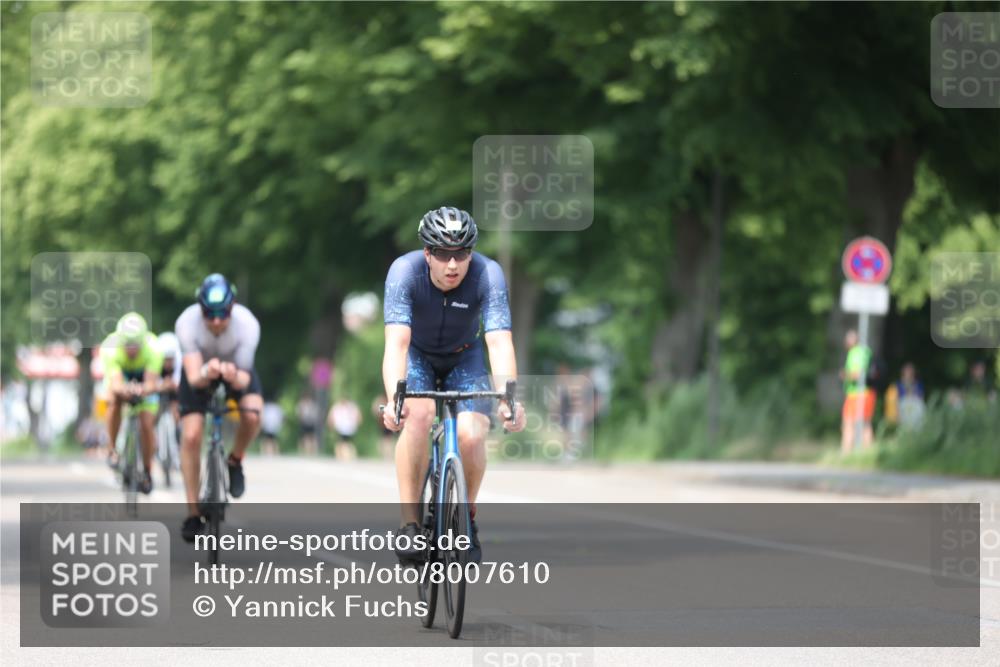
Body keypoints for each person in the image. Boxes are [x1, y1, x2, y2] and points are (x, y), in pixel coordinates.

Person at [381, 206, 526, 564]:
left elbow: (499, 343)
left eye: (461, 254)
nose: (452, 264)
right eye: (443, 254)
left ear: (471, 254)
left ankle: (466, 518)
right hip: (417, 356)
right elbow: (397, 345)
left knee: (472, 434)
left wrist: (509, 399)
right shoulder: (404, 272)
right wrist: (395, 401)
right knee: (417, 416)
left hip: (465, 357)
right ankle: (410, 523)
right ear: (427, 253)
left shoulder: (488, 274)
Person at [175, 273, 263, 542]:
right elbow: (193, 378)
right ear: (200, 309)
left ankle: (235, 460)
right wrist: (207, 371)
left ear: (232, 307)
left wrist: (231, 375)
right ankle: (193, 513)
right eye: (209, 314)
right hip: (200, 372)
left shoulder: (247, 324)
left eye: (222, 314)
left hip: (235, 370)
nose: (215, 321)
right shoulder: (186, 322)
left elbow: (245, 379)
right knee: (191, 435)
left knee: (252, 413)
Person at [99, 312, 163, 494]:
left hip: (144, 382)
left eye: (136, 345)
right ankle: (112, 449)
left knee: (147, 424)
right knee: (113, 402)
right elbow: (115, 383)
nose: (131, 349)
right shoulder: (110, 348)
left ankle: (148, 470)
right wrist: (125, 390)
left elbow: (151, 383)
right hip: (121, 380)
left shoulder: (154, 348)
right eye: (127, 344)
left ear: (143, 341)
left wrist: (141, 390)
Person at [840, 328, 875, 453]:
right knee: (865, 423)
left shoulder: (855, 353)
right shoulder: (865, 351)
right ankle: (868, 452)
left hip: (856, 394)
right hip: (866, 393)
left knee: (848, 423)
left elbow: (859, 374)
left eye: (848, 338)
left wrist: (845, 375)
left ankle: (846, 453)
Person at [884, 362, 926, 430]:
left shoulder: (918, 385)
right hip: (901, 412)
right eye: (907, 371)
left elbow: (921, 400)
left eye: (910, 372)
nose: (909, 374)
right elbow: (892, 402)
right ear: (903, 373)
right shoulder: (896, 386)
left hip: (914, 412)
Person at [372, 394, 395, 460]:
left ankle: (387, 454)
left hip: (388, 421)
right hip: (382, 422)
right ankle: (386, 454)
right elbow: (376, 409)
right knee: (385, 439)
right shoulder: (381, 400)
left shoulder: (389, 401)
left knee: (387, 439)